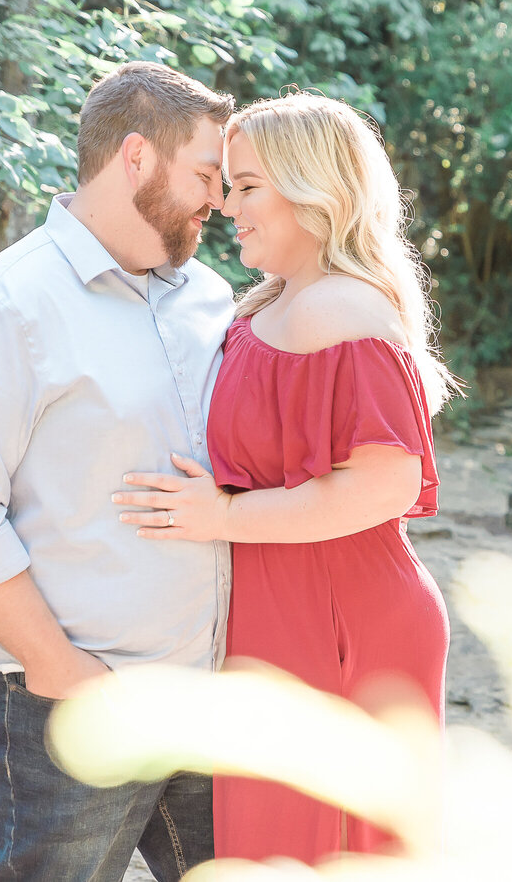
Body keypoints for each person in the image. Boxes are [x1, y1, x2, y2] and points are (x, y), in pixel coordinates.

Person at [0, 61, 237, 881]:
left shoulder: (215, 299)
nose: (220, 201)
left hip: (207, 697)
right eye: (205, 174)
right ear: (135, 158)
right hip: (64, 704)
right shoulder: (4, 306)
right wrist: (63, 671)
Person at [112, 92, 458, 864]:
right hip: (288, 615)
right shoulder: (277, 301)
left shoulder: (340, 309)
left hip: (343, 620)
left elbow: (385, 486)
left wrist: (221, 517)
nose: (226, 204)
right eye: (227, 184)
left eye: (247, 186)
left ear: (313, 189)